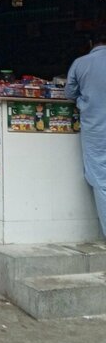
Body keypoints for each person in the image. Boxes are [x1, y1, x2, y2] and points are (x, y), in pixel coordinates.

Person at [65, 32, 106, 234]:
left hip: (96, 128)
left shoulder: (80, 63)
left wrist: (83, 101)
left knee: (101, 180)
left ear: (91, 43)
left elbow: (70, 93)